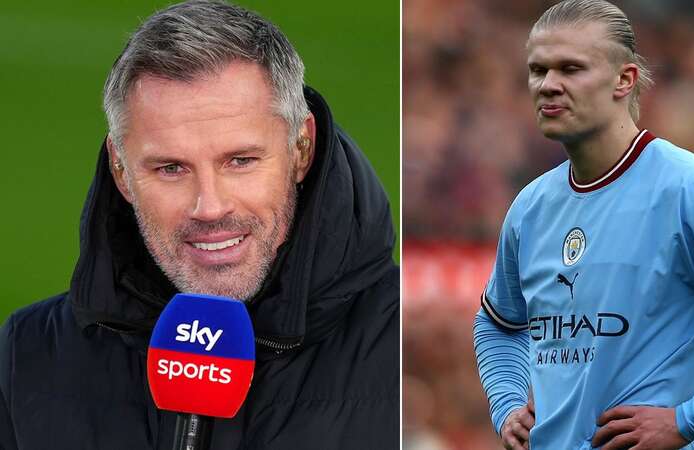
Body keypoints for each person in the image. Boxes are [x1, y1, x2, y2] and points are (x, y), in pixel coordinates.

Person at [0, 1, 398, 448]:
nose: (209, 207)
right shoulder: (26, 354)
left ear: (301, 149)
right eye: (170, 168)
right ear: (120, 170)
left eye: (240, 161)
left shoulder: (409, 343)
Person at [473, 1, 694, 449]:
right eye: (538, 70)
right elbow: (497, 323)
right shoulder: (531, 206)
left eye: (571, 68)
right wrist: (506, 404)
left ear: (624, 80)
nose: (548, 85)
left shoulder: (693, 189)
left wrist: (690, 419)